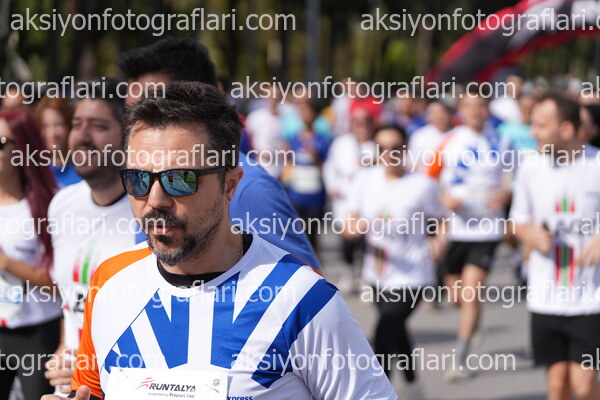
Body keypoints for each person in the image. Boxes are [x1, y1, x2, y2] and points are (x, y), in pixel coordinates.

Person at [42, 81, 397, 400]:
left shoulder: (303, 299)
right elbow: (91, 391)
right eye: (138, 179)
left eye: (179, 179)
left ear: (230, 184)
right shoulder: (109, 281)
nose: (155, 200)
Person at [116, 36, 320, 269]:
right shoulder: (140, 181)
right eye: (131, 110)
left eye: (157, 103)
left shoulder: (249, 188)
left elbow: (301, 278)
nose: (155, 199)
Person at [43, 78, 146, 394]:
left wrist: (94, 363)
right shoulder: (61, 204)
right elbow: (72, 297)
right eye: (77, 124)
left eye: (98, 126)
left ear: (127, 138)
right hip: (70, 390)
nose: (82, 136)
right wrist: (64, 349)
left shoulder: (148, 212)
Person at [344, 124, 447, 400]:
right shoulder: (364, 180)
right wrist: (355, 228)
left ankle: (379, 394)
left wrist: (440, 242)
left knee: (384, 331)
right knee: (396, 330)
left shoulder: (422, 185)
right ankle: (414, 385)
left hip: (413, 276)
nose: (389, 155)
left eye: (395, 149)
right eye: (382, 149)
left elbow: (441, 220)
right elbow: (349, 224)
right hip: (377, 274)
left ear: (405, 149)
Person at [511, 93, 600, 400]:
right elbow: (517, 221)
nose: (532, 132)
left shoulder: (597, 164)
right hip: (545, 297)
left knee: (583, 386)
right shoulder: (530, 167)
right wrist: (528, 235)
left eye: (540, 125)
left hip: (591, 299)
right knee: (558, 386)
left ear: (566, 129)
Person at [438, 88, 513, 382]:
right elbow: (429, 179)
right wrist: (444, 199)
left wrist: (507, 192)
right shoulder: (449, 141)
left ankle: (459, 360)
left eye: (480, 105)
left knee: (470, 293)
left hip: (487, 229)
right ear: (460, 109)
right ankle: (472, 321)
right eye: (469, 105)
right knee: (457, 295)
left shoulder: (502, 140)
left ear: (488, 108)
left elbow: (516, 175)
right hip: (456, 228)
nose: (475, 111)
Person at [0, 110, 61, 399]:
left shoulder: (51, 204)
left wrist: (6, 263)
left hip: (38, 332)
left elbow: (60, 283)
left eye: (1, 143)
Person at [283, 96, 330, 252]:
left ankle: (314, 263)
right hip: (296, 195)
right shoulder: (293, 139)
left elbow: (329, 169)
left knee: (312, 236)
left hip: (315, 197)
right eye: (301, 111)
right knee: (296, 236)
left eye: (307, 111)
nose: (303, 114)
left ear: (315, 114)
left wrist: (316, 159)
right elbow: (288, 166)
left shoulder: (323, 140)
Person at [34, 96, 81, 187]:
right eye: (45, 126)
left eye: (59, 125)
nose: (52, 134)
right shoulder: (35, 173)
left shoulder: (85, 170)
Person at [408, 99, 454, 173]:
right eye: (433, 112)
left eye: (442, 112)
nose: (438, 116)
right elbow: (411, 163)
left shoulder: (459, 134)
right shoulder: (420, 135)